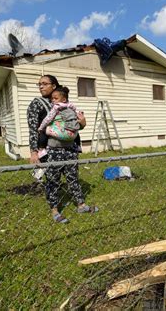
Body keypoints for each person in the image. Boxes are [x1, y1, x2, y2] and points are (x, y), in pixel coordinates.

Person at [27, 75, 95, 224]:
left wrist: (83, 123)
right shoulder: (37, 104)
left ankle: (81, 205)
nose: (41, 86)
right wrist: (33, 151)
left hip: (70, 148)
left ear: (54, 86)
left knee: (73, 178)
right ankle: (55, 210)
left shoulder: (66, 103)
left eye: (44, 84)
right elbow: (33, 129)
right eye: (39, 84)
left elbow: (74, 125)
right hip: (52, 150)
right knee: (53, 180)